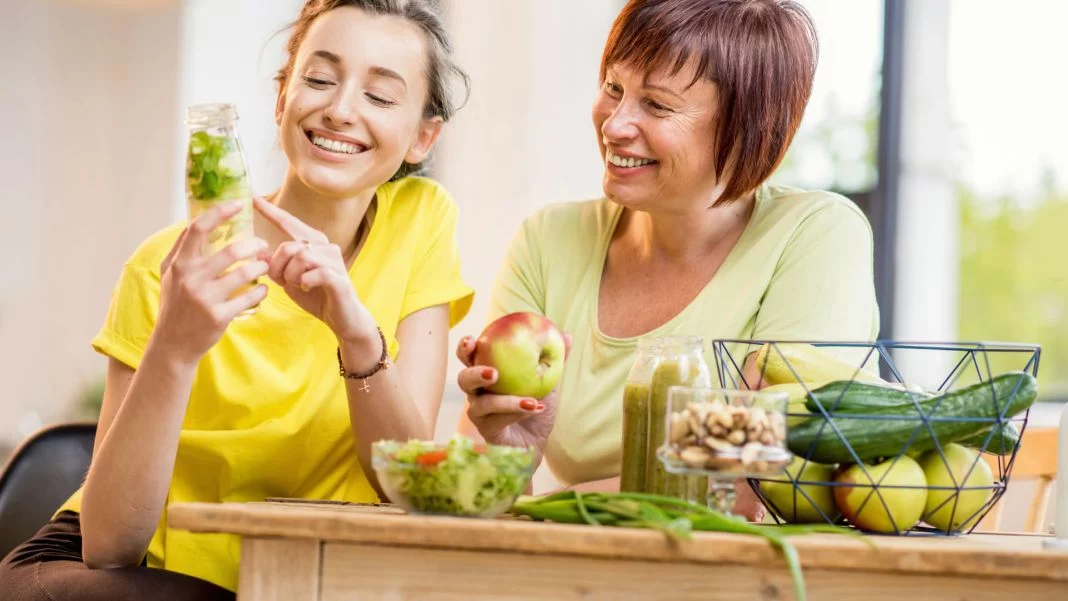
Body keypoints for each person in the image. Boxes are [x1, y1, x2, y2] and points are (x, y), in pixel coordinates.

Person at [0, 1, 472, 598]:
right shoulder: (171, 268)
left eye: (380, 97)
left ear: (422, 137)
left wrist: (357, 338)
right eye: (319, 80)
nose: (340, 109)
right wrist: (174, 345)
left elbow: (405, 484)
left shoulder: (422, 223)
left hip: (304, 572)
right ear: (282, 99)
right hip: (130, 569)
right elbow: (110, 545)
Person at [456, 0, 879, 519]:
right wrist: (507, 457)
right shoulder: (551, 240)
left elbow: (748, 475)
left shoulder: (813, 235)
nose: (615, 125)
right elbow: (471, 485)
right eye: (614, 88)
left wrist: (544, 506)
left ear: (745, 128)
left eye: (656, 105)